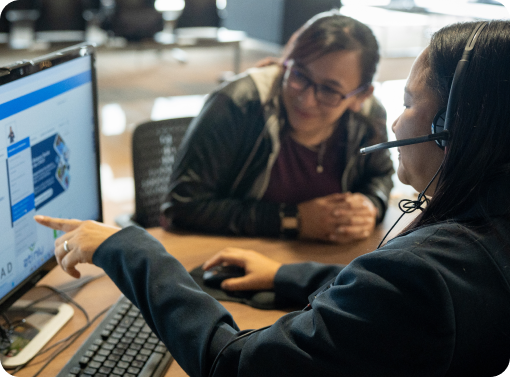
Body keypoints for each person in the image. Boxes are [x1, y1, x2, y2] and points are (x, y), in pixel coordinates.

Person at [35, 20, 510, 376]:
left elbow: (234, 363)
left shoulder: (423, 274)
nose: (395, 123)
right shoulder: (481, 239)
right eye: (299, 76)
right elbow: (384, 303)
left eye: (409, 103)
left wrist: (129, 247)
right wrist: (286, 269)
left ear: (453, 129)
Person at [160, 10, 394, 244]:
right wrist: (293, 220)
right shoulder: (239, 104)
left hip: (328, 266)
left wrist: (371, 205)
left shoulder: (368, 116)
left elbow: (380, 174)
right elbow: (182, 207)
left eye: (329, 90)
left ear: (360, 96)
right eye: (300, 75)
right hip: (229, 258)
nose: (307, 99)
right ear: (286, 63)